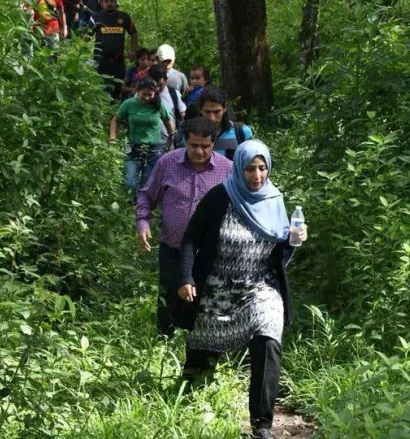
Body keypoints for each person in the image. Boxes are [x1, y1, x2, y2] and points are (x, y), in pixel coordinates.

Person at [175, 140, 308, 439]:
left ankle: (262, 424)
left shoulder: (274, 199)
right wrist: (186, 278)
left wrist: (293, 240)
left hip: (260, 287)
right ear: (238, 168)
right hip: (216, 290)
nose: (257, 176)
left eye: (262, 168)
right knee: (200, 358)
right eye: (250, 169)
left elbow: (279, 250)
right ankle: (188, 401)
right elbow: (191, 238)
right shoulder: (219, 197)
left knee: (268, 338)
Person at [136, 117, 233, 337]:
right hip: (172, 248)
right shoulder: (167, 163)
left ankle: (202, 343)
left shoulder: (227, 170)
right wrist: (143, 223)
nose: (199, 151)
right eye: (193, 145)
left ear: (214, 143)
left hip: (209, 252)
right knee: (168, 300)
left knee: (207, 301)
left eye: (205, 146)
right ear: (185, 141)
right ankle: (163, 342)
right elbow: (146, 195)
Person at [109, 77, 175, 192]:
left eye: (150, 95)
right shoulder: (129, 104)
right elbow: (115, 120)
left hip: (153, 149)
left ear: (154, 93)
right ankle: (130, 201)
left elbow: (168, 122)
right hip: (133, 147)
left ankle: (142, 203)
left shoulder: (158, 105)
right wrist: (112, 137)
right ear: (138, 91)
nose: (147, 98)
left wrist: (171, 141)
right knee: (130, 182)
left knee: (147, 185)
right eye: (144, 94)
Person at [92, 0, 138, 101]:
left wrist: (133, 50)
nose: (109, 4)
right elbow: (86, 34)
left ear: (116, 2)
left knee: (118, 87)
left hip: (118, 60)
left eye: (112, 1)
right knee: (101, 87)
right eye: (106, 1)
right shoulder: (96, 17)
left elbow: (134, 33)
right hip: (100, 60)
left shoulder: (124, 17)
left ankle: (117, 107)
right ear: (101, 3)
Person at [198, 87, 253, 160]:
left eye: (216, 112)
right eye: (207, 112)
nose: (212, 118)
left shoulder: (242, 132)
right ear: (200, 110)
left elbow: (250, 161)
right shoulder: (190, 134)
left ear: (224, 108)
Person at [148, 63, 186, 154]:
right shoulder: (141, 96)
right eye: (154, 85)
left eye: (160, 85)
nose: (157, 89)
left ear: (166, 80)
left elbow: (183, 114)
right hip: (146, 144)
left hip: (168, 144)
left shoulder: (174, 94)